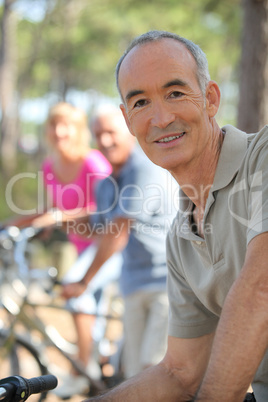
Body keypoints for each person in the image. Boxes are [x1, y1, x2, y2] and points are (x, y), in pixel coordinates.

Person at [83, 30, 268, 402]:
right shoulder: (180, 236)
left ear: (211, 99)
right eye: (140, 103)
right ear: (128, 120)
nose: (161, 118)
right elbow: (179, 372)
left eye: (176, 93)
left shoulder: (263, 157)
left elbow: (261, 289)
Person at [11, 102, 122, 398]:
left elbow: (105, 209)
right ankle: (97, 375)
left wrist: (59, 218)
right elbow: (53, 208)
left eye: (67, 125)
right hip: (81, 246)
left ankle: (81, 371)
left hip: (109, 245)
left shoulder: (94, 163)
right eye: (53, 125)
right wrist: (16, 223)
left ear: (78, 130)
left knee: (77, 293)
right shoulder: (50, 166)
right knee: (87, 314)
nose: (59, 132)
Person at [62, 105, 177, 383]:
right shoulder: (105, 184)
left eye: (111, 132)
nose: (105, 140)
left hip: (168, 284)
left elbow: (117, 231)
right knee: (136, 376)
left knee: (156, 371)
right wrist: (53, 220)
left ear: (129, 132)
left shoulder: (144, 167)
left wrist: (83, 281)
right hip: (133, 284)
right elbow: (96, 226)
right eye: (98, 134)